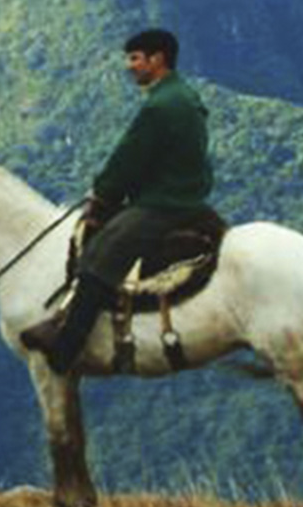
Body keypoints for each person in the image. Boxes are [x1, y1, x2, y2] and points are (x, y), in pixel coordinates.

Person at [21, 28, 214, 373]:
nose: (130, 66)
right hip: (186, 195)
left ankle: (66, 347)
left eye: (136, 58)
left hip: (163, 203)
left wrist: (103, 193)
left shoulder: (159, 106)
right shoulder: (185, 96)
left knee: (99, 254)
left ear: (158, 59)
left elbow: (128, 159)